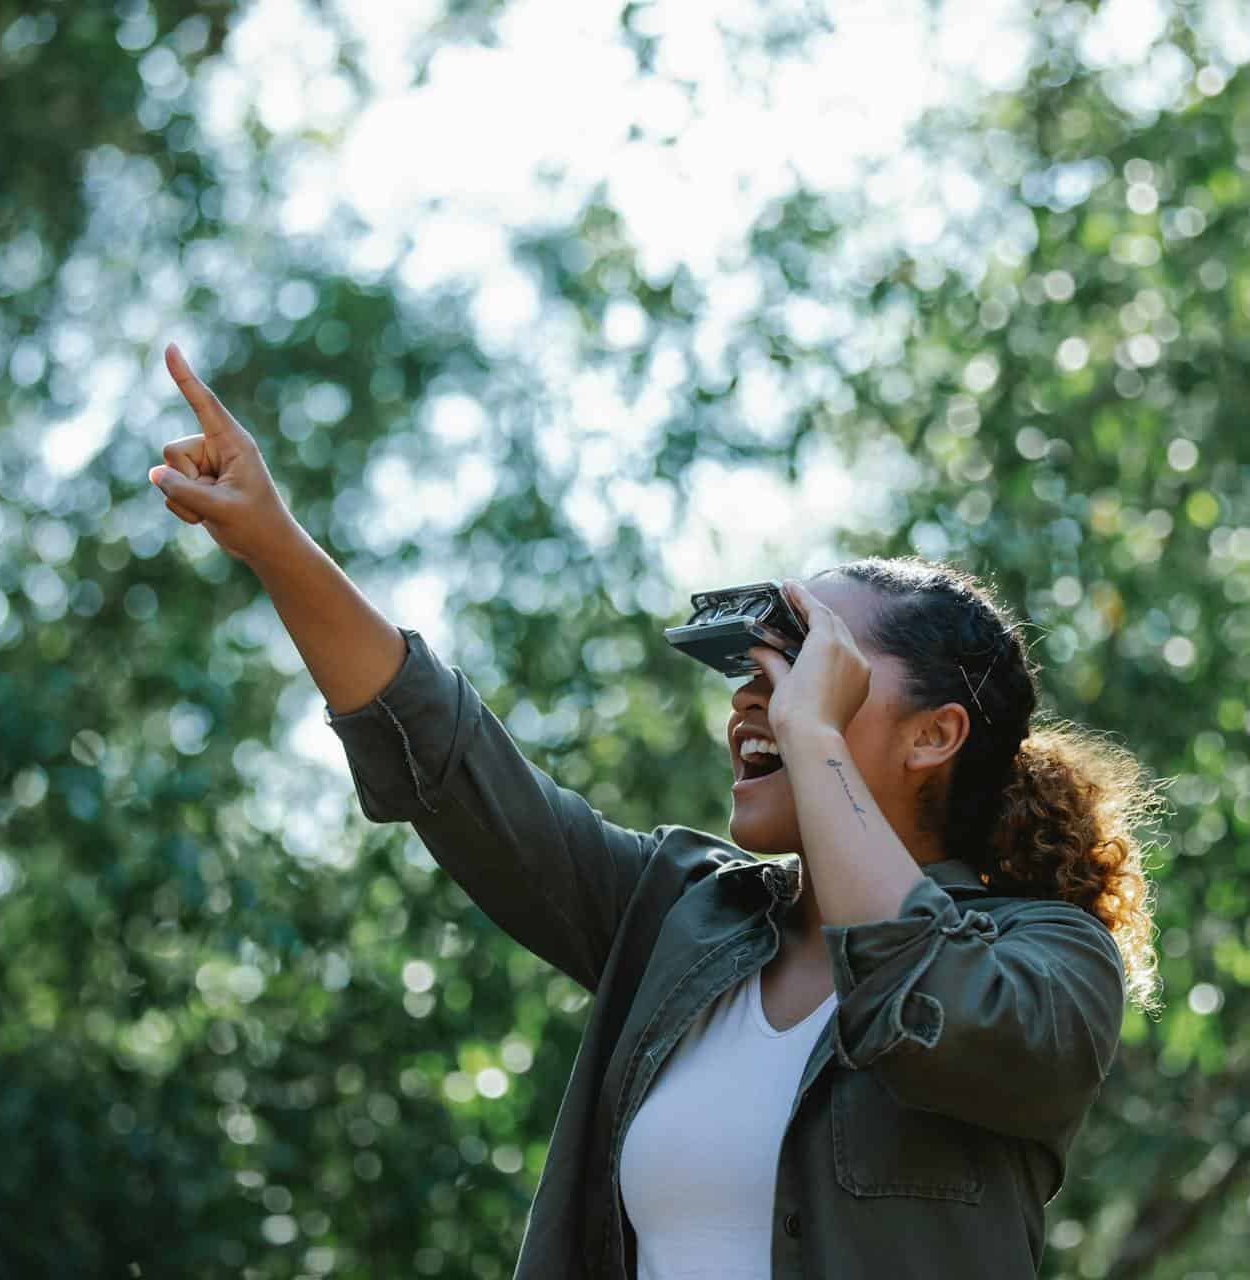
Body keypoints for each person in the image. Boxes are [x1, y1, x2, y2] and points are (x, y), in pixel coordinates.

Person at [148, 342, 1167, 1279]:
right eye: (751, 666)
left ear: (933, 733)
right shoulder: (680, 914)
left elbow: (920, 995)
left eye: (802, 657)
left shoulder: (1049, 961)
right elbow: (454, 766)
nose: (754, 696)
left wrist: (812, 737)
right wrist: (275, 544)